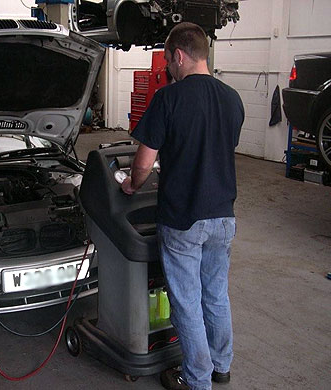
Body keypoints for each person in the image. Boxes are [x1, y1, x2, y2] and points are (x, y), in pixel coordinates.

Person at [121, 22, 244, 390]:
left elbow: (143, 162)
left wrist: (131, 184)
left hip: (184, 218)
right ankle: (221, 367)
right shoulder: (232, 98)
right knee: (216, 294)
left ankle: (197, 380)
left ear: (178, 55)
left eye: (168, 61)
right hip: (223, 216)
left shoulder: (169, 99)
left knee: (187, 302)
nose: (168, 69)